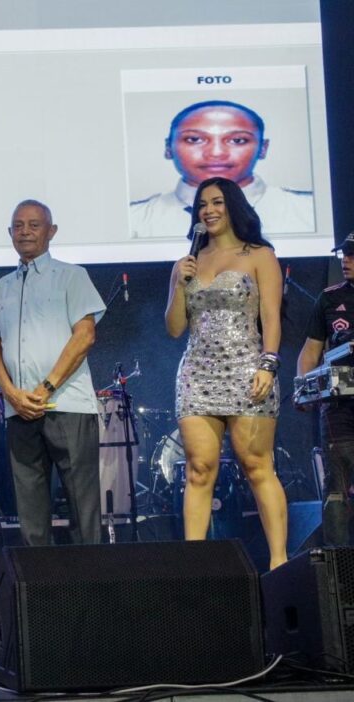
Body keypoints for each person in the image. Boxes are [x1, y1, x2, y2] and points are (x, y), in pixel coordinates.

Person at [165, 176, 288, 569]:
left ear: (233, 205)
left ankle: (279, 563)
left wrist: (268, 363)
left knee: (256, 465)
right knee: (199, 470)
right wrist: (178, 283)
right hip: (197, 374)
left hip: (248, 370)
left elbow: (271, 315)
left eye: (217, 202)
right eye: (202, 204)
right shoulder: (188, 263)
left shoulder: (260, 255)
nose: (209, 210)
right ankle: (195, 565)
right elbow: (174, 328)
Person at [0, 200, 105, 549]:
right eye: (18, 226)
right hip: (20, 410)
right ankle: (39, 583)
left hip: (67, 407)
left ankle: (92, 580)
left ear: (51, 231)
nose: (25, 232)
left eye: (34, 225)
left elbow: (85, 336)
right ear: (9, 233)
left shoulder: (72, 276)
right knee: (30, 514)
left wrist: (46, 387)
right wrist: (12, 394)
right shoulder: (0, 288)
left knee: (83, 508)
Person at [131, 100, 314, 238]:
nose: (216, 153)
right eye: (194, 139)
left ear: (263, 148)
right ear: (168, 148)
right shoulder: (135, 220)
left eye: (238, 140)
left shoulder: (309, 212)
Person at [296, 231, 354, 545]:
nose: (346, 261)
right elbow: (311, 350)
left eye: (352, 255)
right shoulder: (330, 298)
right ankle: (339, 562)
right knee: (336, 488)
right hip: (339, 404)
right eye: (343, 255)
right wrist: (303, 389)